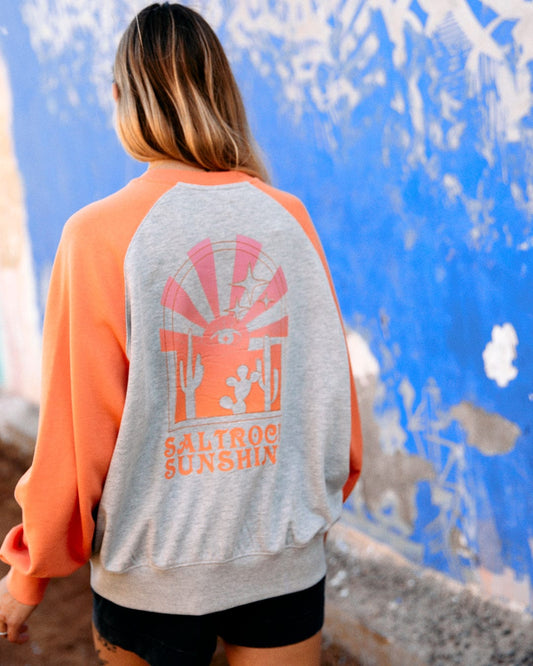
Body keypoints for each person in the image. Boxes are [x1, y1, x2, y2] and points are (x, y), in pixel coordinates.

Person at [0, 3, 363, 664]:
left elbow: (75, 435)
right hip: (283, 560)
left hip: (153, 576)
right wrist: (293, 511)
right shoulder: (289, 219)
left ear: (120, 98)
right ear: (222, 94)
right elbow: (331, 404)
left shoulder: (97, 235)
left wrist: (30, 570)